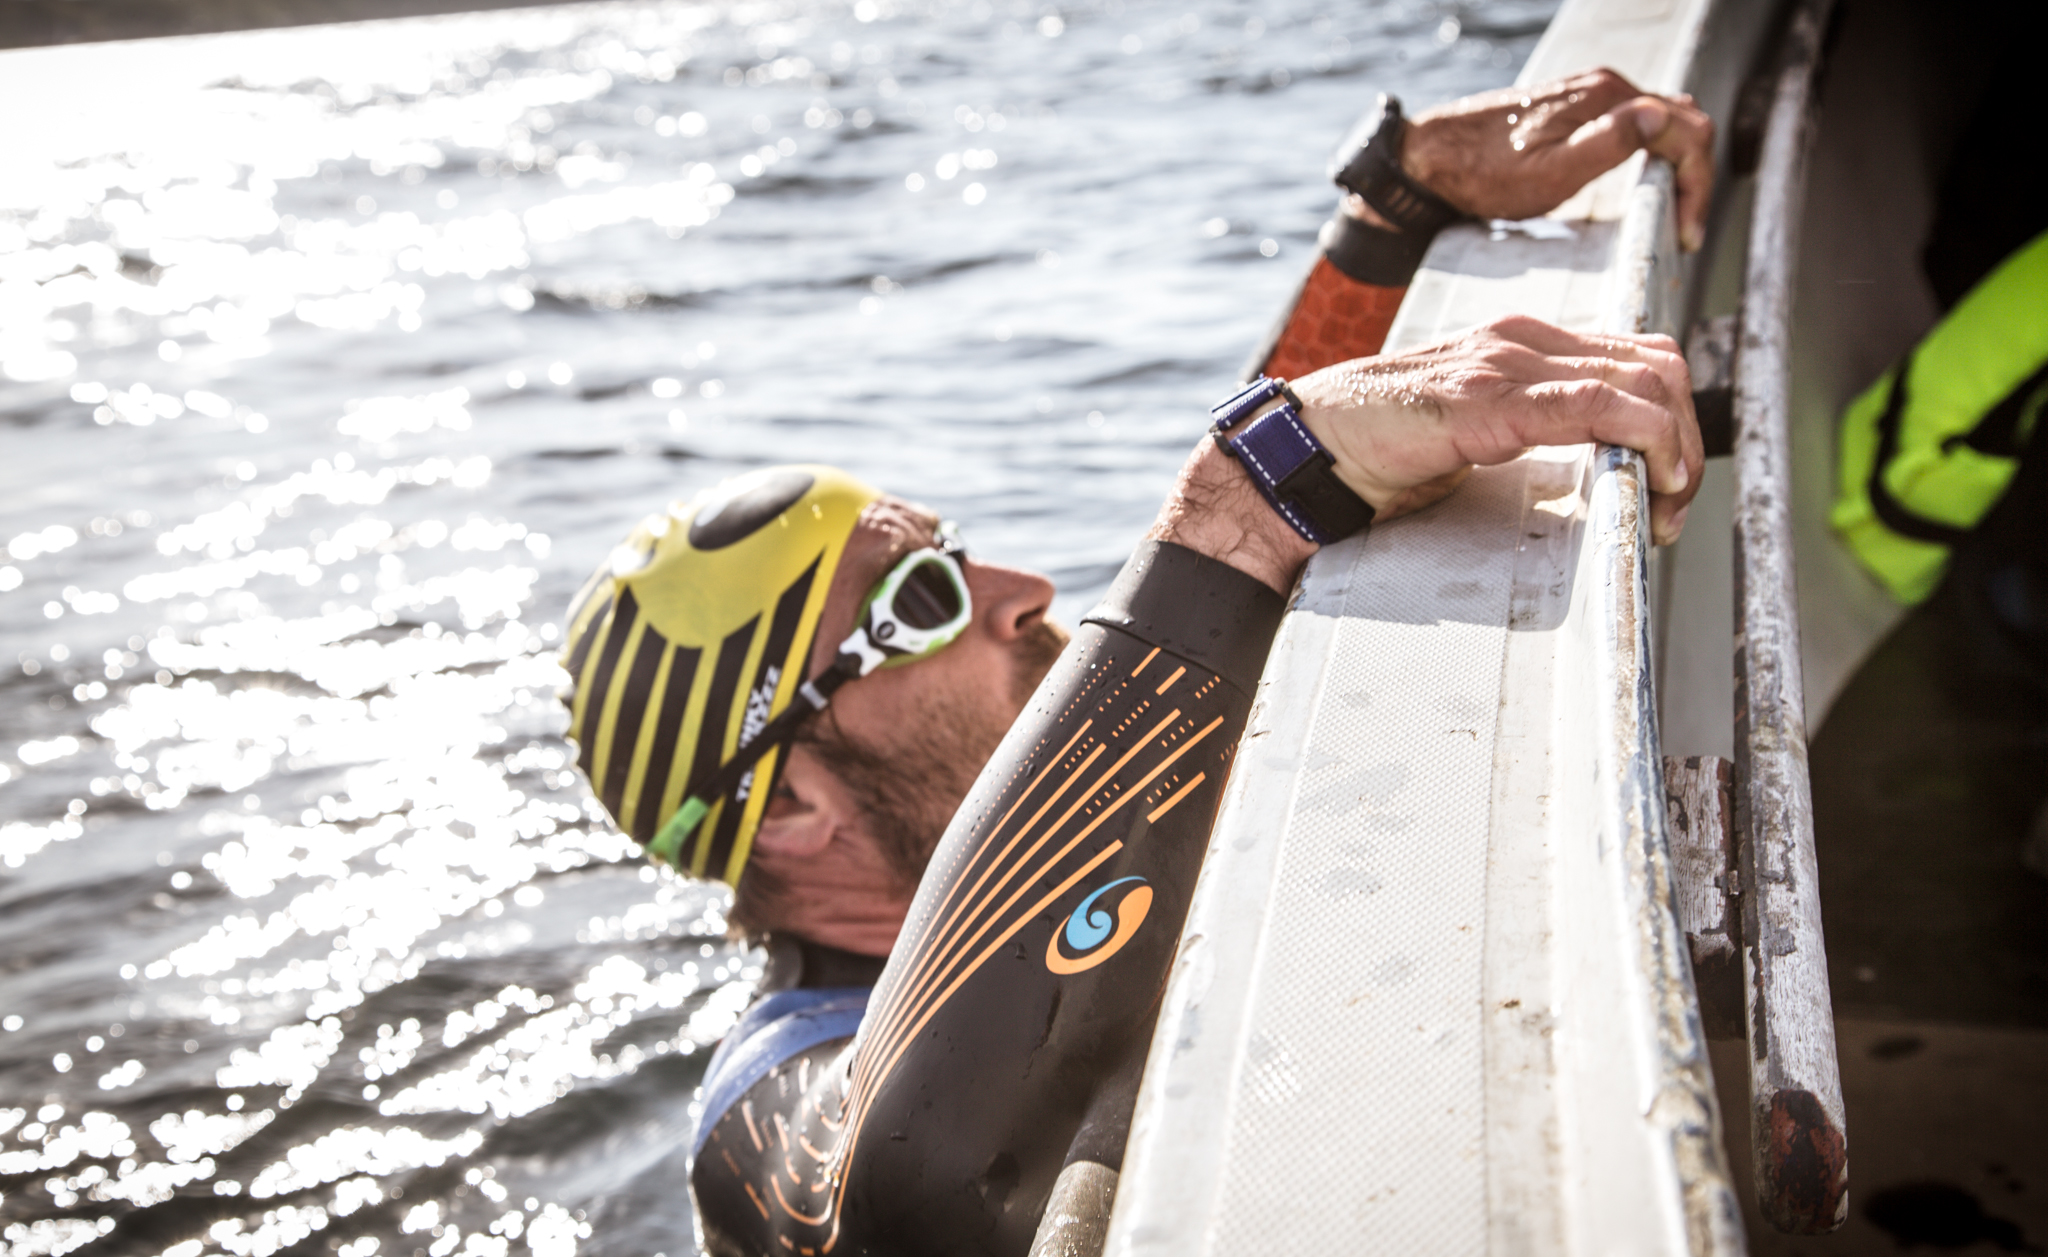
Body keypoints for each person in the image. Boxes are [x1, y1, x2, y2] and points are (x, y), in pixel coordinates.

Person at [559, 69, 1713, 1257]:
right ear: (794, 807)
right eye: (918, 602)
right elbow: (894, 1183)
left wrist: (1393, 211)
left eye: (956, 554)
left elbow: (1208, 596)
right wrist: (1241, 501)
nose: (1023, 592)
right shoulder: (761, 1102)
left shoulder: (1084, 801)